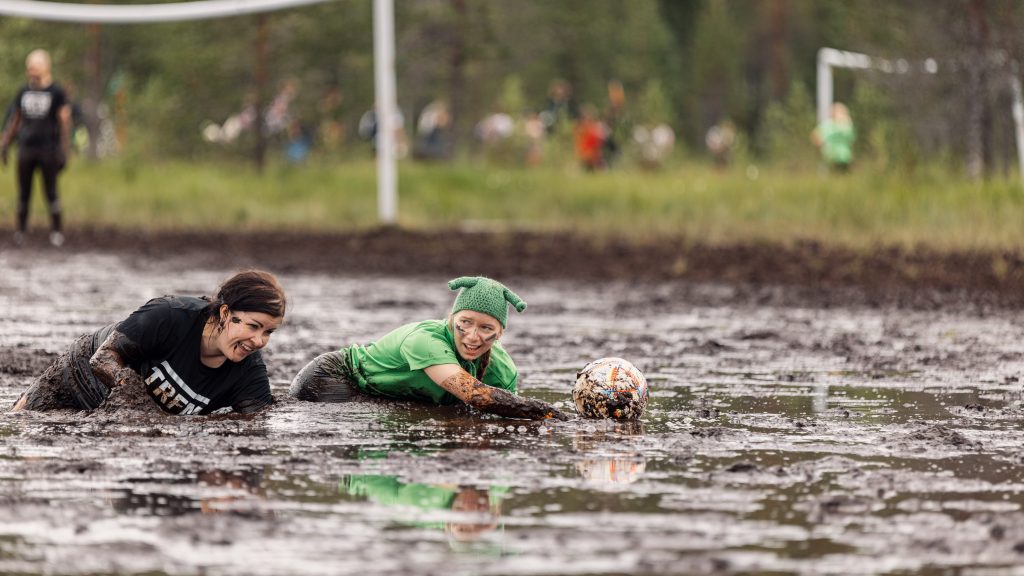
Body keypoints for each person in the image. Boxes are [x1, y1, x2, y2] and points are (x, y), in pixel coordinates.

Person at [290, 276, 567, 421]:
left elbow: (505, 412)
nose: (472, 337)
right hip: (334, 378)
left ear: (500, 333)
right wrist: (553, 414)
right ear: (451, 319)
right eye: (465, 323)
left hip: (387, 393)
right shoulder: (426, 340)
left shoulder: (502, 368)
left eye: (485, 328)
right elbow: (475, 395)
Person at [11, 270, 286, 415]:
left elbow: (254, 425)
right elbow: (103, 359)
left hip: (112, 417)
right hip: (75, 377)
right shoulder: (170, 316)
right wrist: (144, 410)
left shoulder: (249, 375)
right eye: (253, 326)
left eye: (269, 332)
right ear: (226, 313)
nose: (259, 341)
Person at [0, 49, 72, 247]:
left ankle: (57, 232)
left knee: (51, 192)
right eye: (29, 66)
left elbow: (65, 121)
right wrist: (5, 143)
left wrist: (64, 150)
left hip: (48, 149)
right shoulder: (24, 91)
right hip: (26, 149)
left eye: (34, 65)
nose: (31, 70)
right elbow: (16, 118)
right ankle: (20, 232)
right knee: (24, 193)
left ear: (45, 66)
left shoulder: (56, 92)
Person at [811, 102, 856, 172]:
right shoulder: (829, 125)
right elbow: (815, 136)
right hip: (834, 156)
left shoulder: (847, 126)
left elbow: (851, 140)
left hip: (842, 157)